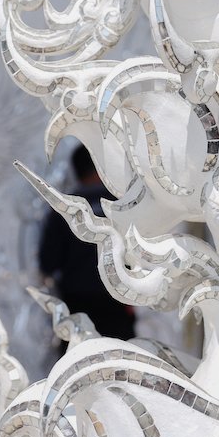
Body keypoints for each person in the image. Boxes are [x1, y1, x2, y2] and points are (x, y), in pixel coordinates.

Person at [38, 144, 135, 341]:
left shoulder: (63, 210)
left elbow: (47, 263)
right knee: (121, 363)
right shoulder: (121, 205)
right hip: (117, 302)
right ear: (102, 168)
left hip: (77, 307)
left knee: (78, 364)